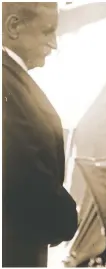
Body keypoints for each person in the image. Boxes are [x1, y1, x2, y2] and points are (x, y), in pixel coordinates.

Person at [2, 3, 78, 266]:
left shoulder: (13, 77)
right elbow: (20, 165)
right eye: (47, 31)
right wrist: (63, 217)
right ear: (13, 26)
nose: (54, 44)